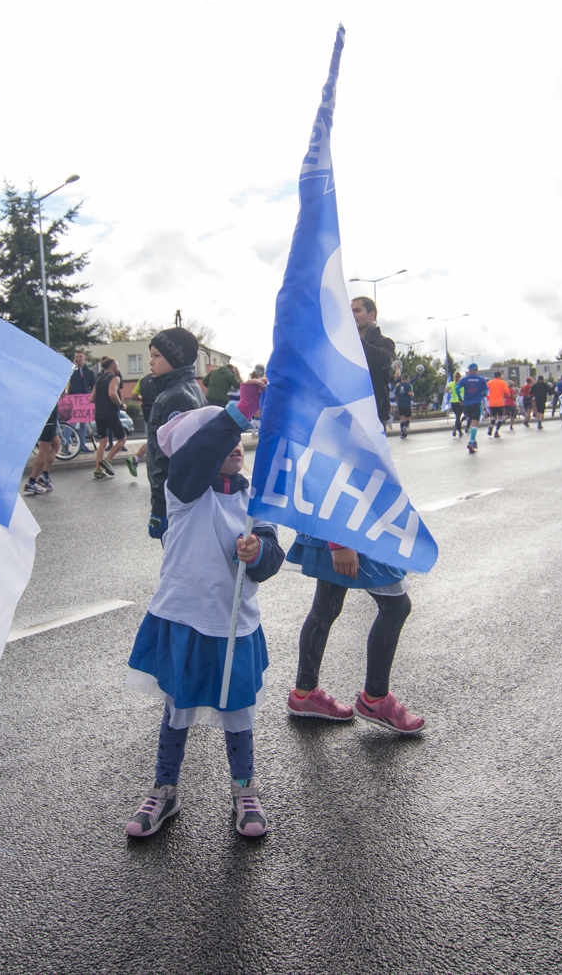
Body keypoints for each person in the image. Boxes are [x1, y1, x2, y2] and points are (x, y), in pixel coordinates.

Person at [124, 385, 282, 838]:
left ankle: (244, 790)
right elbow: (194, 461)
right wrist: (237, 414)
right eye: (221, 439)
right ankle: (165, 789)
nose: (234, 444)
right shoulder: (184, 493)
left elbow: (272, 557)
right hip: (182, 620)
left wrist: (259, 553)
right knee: (177, 709)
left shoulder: (255, 501)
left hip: (234, 626)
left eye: (238, 439)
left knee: (238, 715)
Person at [284, 536, 424, 735]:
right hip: (350, 533)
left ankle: (305, 692)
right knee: (396, 607)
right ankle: (375, 698)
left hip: (346, 530)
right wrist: (340, 543)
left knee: (326, 607)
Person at [145, 328, 206, 539]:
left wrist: (159, 508)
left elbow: (169, 458)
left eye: (157, 356)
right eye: (150, 356)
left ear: (175, 358)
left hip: (176, 502)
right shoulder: (187, 388)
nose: (150, 362)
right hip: (185, 497)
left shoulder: (176, 398)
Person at [351, 298, 396, 430]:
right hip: (349, 411)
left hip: (374, 413)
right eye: (350, 312)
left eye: (357, 311)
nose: (352, 315)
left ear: (372, 315)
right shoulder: (346, 344)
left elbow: (382, 360)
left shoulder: (385, 343)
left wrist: (353, 337)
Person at [25, 405, 61, 495]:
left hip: (48, 417)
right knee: (43, 451)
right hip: (48, 418)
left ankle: (44, 476)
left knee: (56, 445)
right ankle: (31, 482)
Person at [459, 364, 488, 453]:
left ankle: (474, 442)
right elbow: (486, 392)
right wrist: (480, 396)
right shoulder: (482, 379)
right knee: (475, 422)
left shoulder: (464, 379)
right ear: (476, 370)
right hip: (476, 403)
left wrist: (460, 398)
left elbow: (457, 388)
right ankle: (471, 441)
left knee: (472, 422)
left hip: (466, 404)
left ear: (471, 370)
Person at [486, 372, 510, 437]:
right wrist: (507, 395)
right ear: (500, 376)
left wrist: (488, 397)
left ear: (494, 376)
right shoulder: (502, 382)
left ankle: (491, 425)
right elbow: (507, 392)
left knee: (493, 417)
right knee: (500, 418)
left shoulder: (489, 383)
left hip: (491, 402)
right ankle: (496, 432)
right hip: (500, 403)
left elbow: (484, 391)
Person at [393, 367, 414, 439]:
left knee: (402, 418)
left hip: (400, 404)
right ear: (407, 379)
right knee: (408, 417)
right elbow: (410, 393)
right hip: (407, 403)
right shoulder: (409, 385)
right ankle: (405, 427)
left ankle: (402, 433)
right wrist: (412, 394)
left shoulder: (398, 386)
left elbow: (395, 395)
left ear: (402, 379)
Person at [448, 372, 465, 437]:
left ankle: (459, 431)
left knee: (457, 416)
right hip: (460, 401)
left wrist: (451, 391)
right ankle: (455, 427)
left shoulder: (451, 383)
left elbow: (446, 390)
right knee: (458, 416)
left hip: (453, 402)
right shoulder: (462, 384)